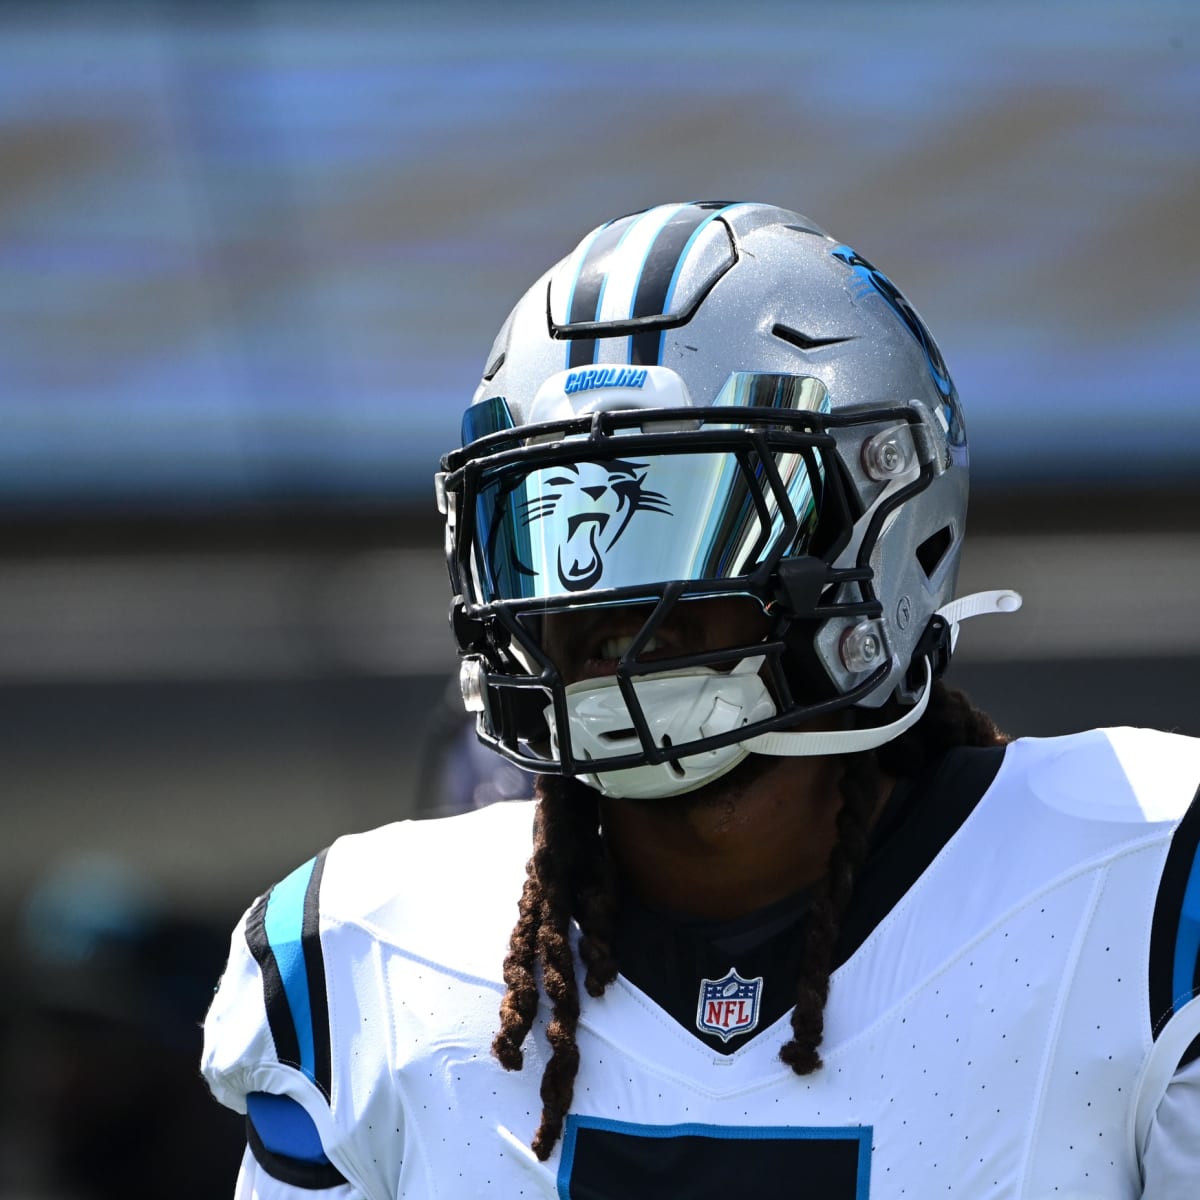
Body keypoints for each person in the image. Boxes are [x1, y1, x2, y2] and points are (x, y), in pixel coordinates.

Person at [202, 201, 1200, 1197]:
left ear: (880, 521)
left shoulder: (1145, 885)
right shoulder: (361, 958)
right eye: (553, 524)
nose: (604, 605)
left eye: (676, 518)